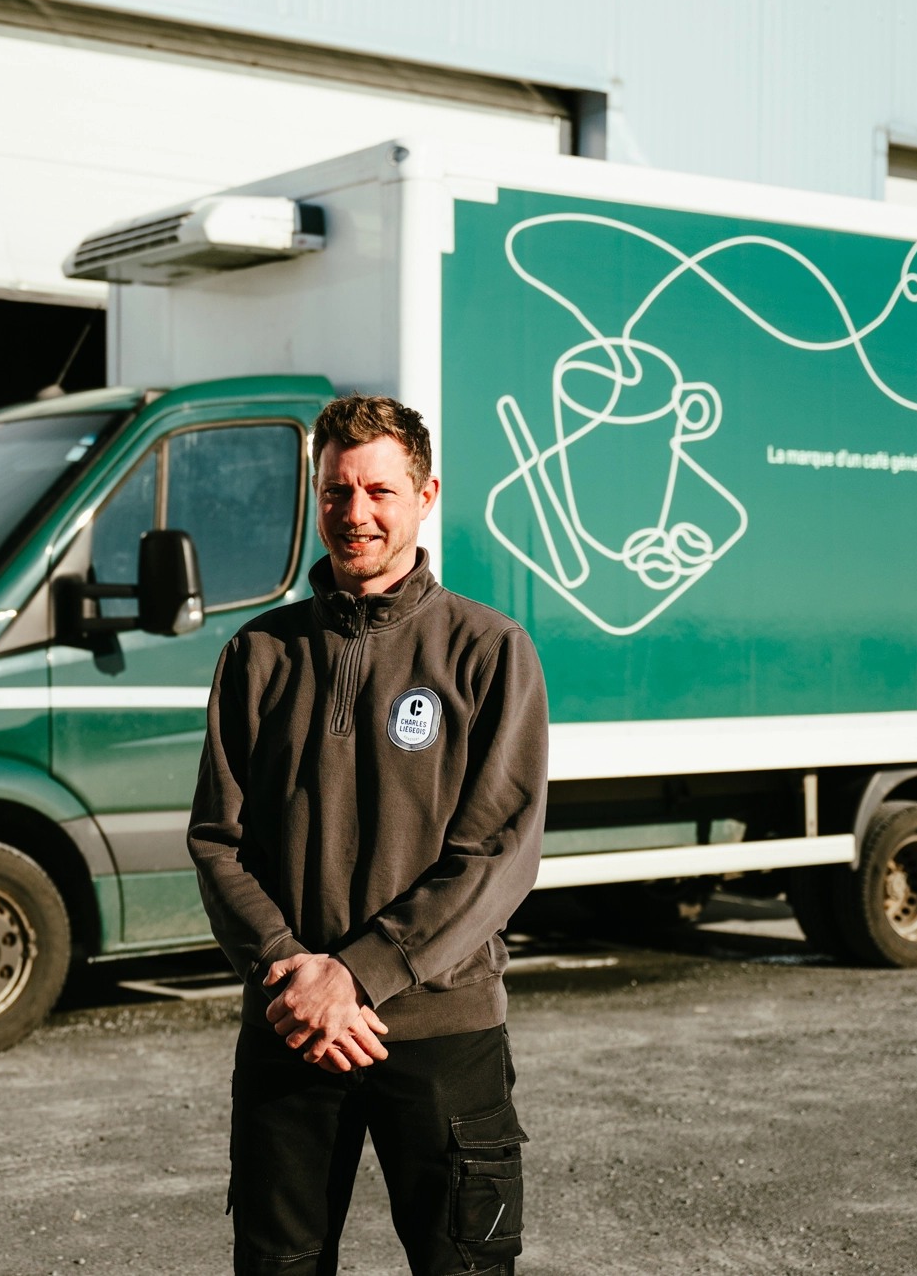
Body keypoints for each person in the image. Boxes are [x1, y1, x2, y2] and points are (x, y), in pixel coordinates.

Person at [188, 395, 549, 1276]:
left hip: (440, 1032)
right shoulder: (258, 654)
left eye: (379, 491)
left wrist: (355, 975)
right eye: (335, 491)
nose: (355, 513)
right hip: (290, 1029)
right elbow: (217, 841)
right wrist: (294, 974)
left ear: (425, 495)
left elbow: (497, 854)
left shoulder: (487, 650)